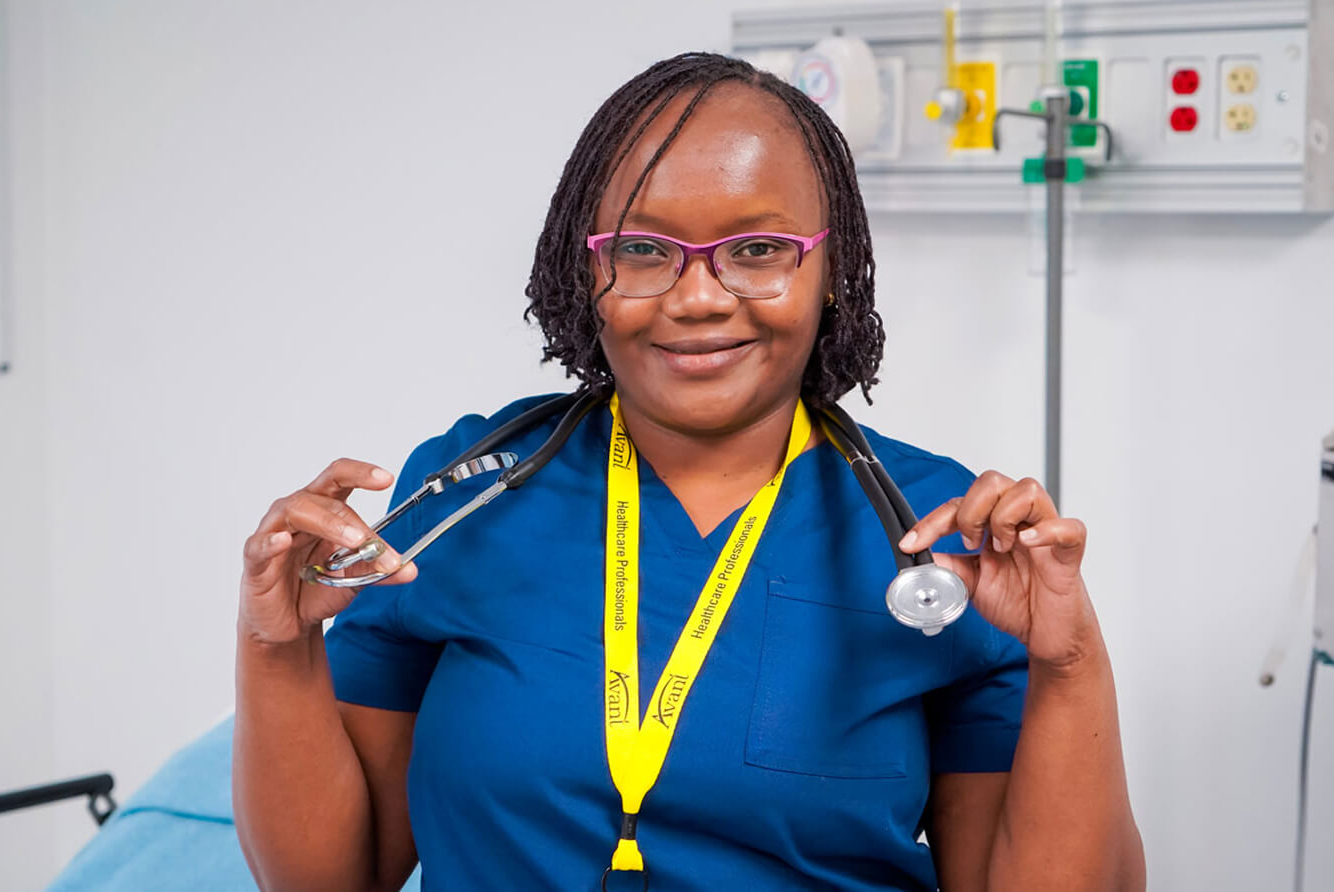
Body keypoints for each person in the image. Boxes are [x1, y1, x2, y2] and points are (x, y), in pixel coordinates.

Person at [231, 52, 1144, 891]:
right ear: (583, 271)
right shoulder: (463, 501)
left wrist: (1068, 661)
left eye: (757, 250)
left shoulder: (941, 539)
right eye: (644, 250)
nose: (699, 297)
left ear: (831, 269)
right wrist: (277, 649)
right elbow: (332, 880)